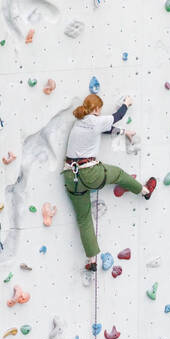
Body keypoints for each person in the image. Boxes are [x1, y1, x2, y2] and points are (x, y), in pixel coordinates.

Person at [62, 92, 157, 269]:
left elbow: (104, 129)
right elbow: (116, 117)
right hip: (89, 172)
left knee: (84, 218)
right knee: (119, 174)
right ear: (97, 109)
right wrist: (127, 103)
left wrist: (124, 132)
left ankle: (91, 261)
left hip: (70, 176)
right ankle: (144, 191)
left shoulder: (80, 122)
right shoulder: (95, 120)